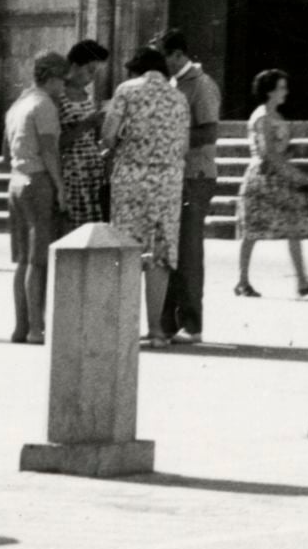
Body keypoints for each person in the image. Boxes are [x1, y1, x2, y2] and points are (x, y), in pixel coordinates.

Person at [100, 46, 190, 347]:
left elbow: (108, 136)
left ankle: (126, 328)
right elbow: (183, 144)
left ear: (137, 70)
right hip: (167, 184)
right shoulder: (179, 97)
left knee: (128, 250)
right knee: (160, 256)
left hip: (131, 181)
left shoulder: (126, 90)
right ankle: (156, 330)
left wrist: (120, 142)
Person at [155, 30, 223, 342]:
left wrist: (167, 139)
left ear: (178, 55)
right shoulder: (171, 84)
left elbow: (209, 133)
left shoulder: (201, 85)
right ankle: (169, 323)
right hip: (174, 175)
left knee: (189, 253)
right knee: (171, 251)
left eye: (163, 56)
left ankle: (193, 325)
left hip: (195, 176)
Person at [233, 69, 308, 298]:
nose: (285, 92)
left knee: (293, 225)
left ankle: (302, 281)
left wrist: (291, 154)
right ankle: (242, 281)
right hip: (263, 178)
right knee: (252, 230)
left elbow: (277, 150)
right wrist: (297, 176)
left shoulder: (275, 115)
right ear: (269, 91)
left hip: (279, 176)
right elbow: (268, 153)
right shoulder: (262, 116)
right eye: (281, 87)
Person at [3, 49, 69, 343]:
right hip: (38, 181)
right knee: (38, 260)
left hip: (16, 181)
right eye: (62, 80)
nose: (63, 87)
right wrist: (60, 186)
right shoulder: (44, 105)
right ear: (52, 78)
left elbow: (6, 152)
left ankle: (21, 326)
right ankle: (35, 327)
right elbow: (49, 150)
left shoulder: (18, 105)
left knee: (22, 259)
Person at [55, 40, 112, 233]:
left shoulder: (87, 96)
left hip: (92, 171)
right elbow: (53, 142)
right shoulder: (58, 96)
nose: (91, 78)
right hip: (71, 172)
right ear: (74, 66)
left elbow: (91, 137)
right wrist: (85, 125)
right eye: (90, 71)